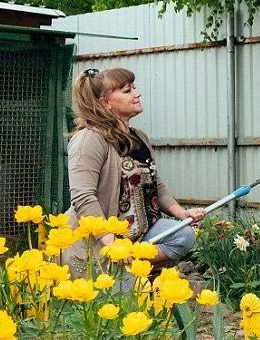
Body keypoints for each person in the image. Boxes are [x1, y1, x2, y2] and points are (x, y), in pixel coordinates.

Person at [63, 67, 206, 278]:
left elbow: (156, 183)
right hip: (101, 242)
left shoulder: (140, 137)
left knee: (183, 235)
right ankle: (120, 270)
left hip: (140, 232)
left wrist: (181, 213)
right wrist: (111, 243)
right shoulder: (89, 139)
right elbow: (83, 197)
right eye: (127, 90)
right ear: (105, 103)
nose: (137, 93)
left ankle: (132, 266)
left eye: (134, 88)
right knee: (127, 307)